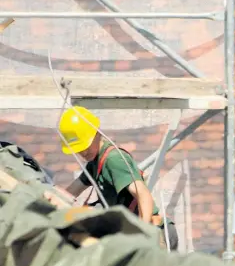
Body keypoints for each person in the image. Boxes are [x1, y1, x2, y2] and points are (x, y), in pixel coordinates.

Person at [59, 106, 178, 251]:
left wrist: (141, 234)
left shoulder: (113, 159)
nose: (83, 153)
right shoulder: (95, 163)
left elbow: (143, 194)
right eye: (78, 150)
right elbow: (69, 193)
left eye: (85, 146)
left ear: (96, 133)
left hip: (154, 233)